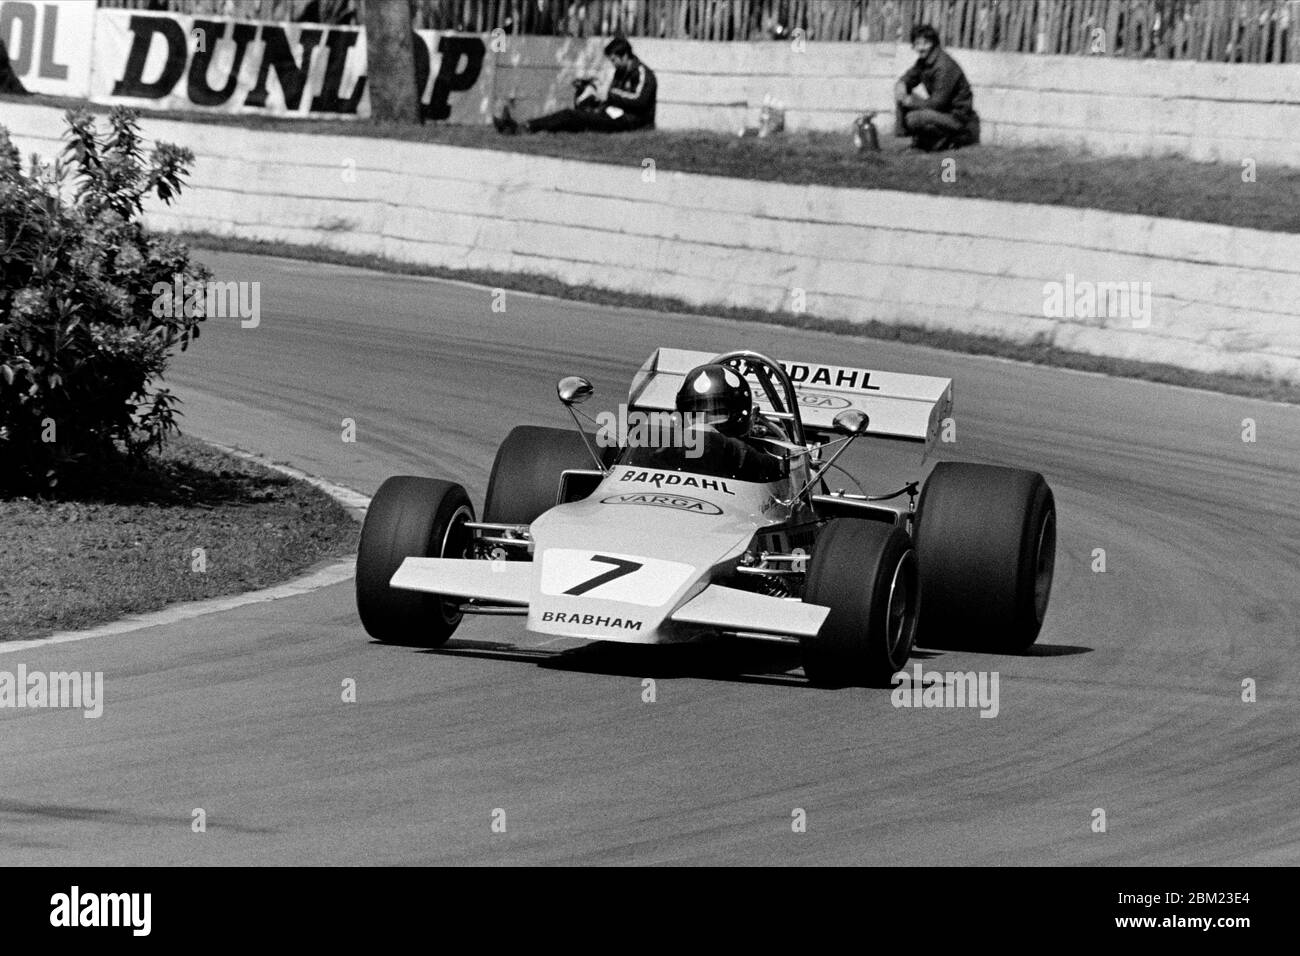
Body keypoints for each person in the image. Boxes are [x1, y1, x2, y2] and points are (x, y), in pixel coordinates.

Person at [627, 364, 783, 484]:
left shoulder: (757, 461)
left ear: (740, 415)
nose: (702, 423)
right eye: (694, 414)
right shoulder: (660, 447)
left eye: (716, 413)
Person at [494, 37, 656, 135]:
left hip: (629, 122)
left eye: (614, 60)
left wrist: (608, 95)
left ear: (625, 56)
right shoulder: (621, 72)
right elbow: (615, 95)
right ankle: (523, 127)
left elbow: (639, 101)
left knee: (571, 116)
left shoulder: (643, 73)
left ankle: (524, 128)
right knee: (577, 112)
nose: (613, 64)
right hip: (615, 115)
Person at [893, 24, 979, 151]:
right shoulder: (924, 61)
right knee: (902, 94)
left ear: (933, 43)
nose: (921, 48)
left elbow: (938, 103)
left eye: (925, 43)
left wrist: (911, 102)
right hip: (942, 112)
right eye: (917, 43)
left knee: (913, 118)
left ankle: (953, 139)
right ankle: (911, 139)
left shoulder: (943, 65)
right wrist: (901, 86)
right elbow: (908, 78)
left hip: (956, 117)